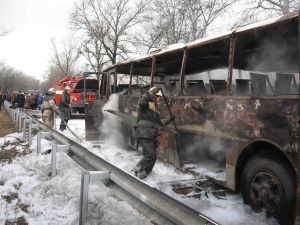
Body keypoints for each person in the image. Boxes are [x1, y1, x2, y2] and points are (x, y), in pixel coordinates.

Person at [133, 86, 175, 179]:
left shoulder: (153, 110)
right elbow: (141, 102)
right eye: (158, 96)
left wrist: (169, 120)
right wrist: (150, 93)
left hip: (150, 134)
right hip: (144, 133)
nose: (159, 99)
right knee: (150, 156)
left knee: (152, 157)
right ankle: (137, 171)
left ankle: (143, 175)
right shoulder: (145, 102)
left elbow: (160, 123)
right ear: (153, 95)